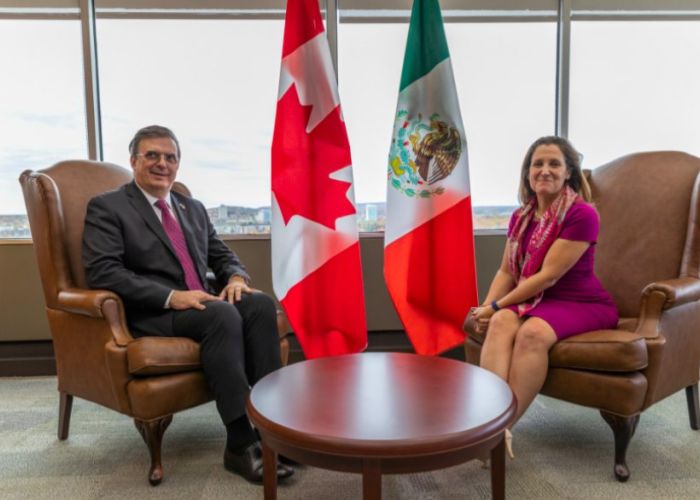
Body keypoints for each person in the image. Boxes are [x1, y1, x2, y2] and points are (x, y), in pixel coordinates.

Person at [82, 125, 293, 484]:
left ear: (178, 165)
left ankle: (273, 431)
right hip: (154, 310)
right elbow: (103, 272)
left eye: (170, 157)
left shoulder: (191, 207)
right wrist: (172, 296)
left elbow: (222, 255)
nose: (162, 163)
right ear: (133, 160)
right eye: (152, 155)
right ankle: (240, 443)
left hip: (202, 301)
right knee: (221, 314)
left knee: (258, 306)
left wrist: (237, 279)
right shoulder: (109, 207)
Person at [469, 136, 618, 459]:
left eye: (554, 164)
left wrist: (496, 305)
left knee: (532, 332)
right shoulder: (520, 217)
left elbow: (547, 277)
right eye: (538, 164)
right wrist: (487, 308)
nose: (545, 170)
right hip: (536, 300)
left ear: (569, 174)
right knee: (501, 322)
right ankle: (489, 422)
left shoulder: (582, 214)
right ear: (527, 173)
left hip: (581, 302)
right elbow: (507, 271)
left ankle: (499, 431)